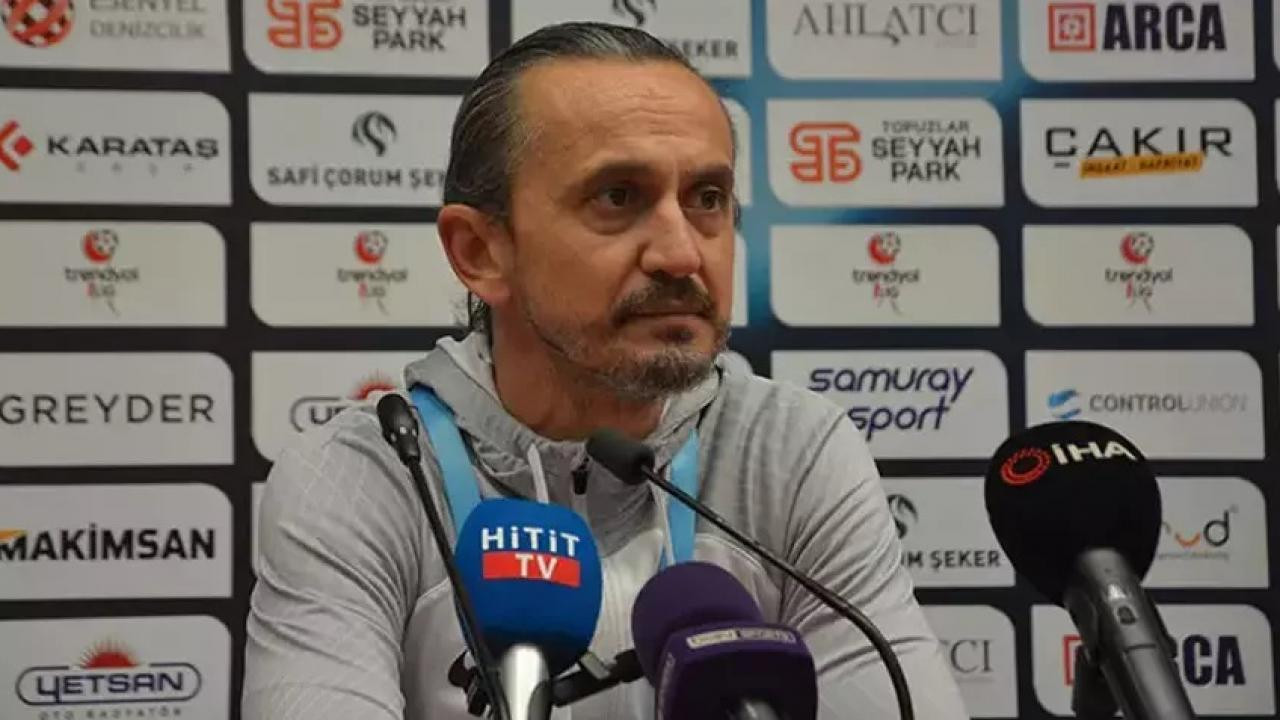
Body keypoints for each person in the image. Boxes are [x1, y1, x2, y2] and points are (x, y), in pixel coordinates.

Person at [244, 21, 968, 720]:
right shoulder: (366, 475)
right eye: (618, 197)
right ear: (479, 251)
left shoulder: (791, 451)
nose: (681, 254)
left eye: (707, 199)